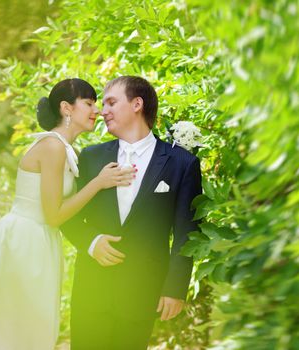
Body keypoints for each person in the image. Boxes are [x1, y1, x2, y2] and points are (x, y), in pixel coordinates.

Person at [0, 78, 135, 350]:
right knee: (16, 326)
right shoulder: (53, 147)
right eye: (88, 103)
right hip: (25, 240)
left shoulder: (64, 149)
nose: (96, 111)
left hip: (39, 239)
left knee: (30, 325)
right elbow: (54, 215)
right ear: (66, 108)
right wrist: (98, 183)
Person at [61, 76, 202, 349]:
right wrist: (91, 242)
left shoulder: (182, 163)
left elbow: (188, 233)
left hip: (142, 291)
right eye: (102, 104)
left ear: (137, 104)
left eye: (111, 102)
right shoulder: (90, 156)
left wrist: (175, 288)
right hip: (92, 288)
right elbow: (68, 214)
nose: (103, 111)